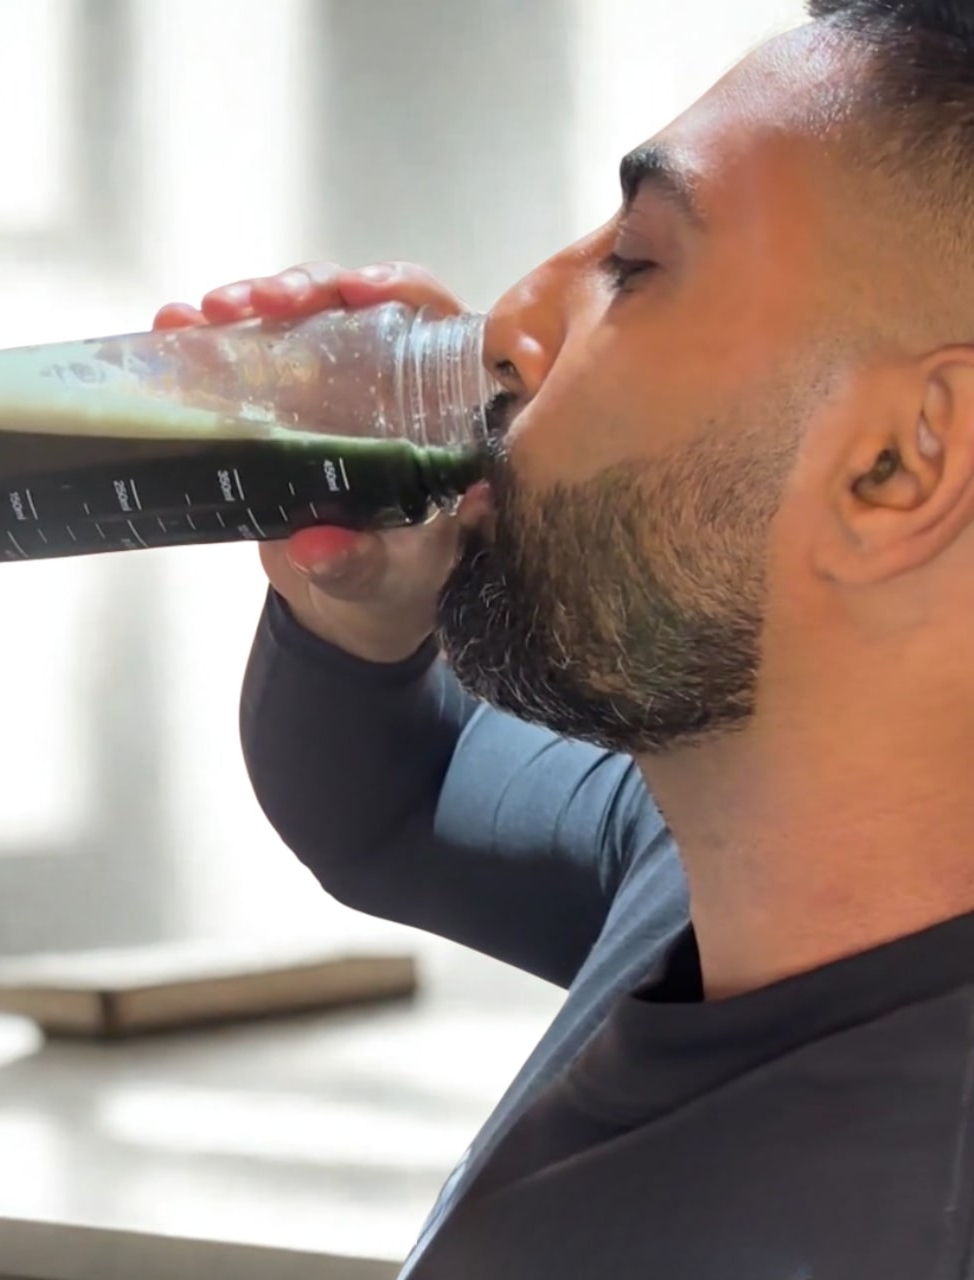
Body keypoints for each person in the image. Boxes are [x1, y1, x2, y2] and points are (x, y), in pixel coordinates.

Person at [155, 2, 974, 1276]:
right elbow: (398, 794)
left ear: (896, 463)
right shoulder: (703, 856)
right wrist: (365, 608)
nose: (507, 323)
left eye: (632, 264)